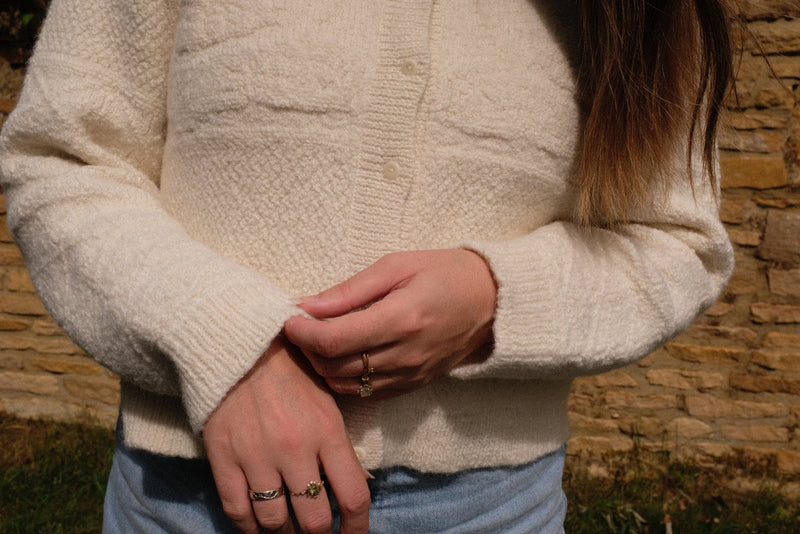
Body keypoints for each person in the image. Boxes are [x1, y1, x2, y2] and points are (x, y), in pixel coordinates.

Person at [0, 1, 735, 532]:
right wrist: (225, 345)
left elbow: (677, 243)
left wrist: (494, 297)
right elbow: (61, 161)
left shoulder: (648, 15)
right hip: (189, 499)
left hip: (492, 510)